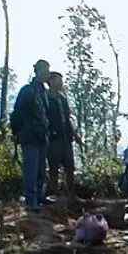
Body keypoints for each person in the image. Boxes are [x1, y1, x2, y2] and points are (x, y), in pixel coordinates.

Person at [10, 59, 50, 213]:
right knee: (31, 169)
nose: (46, 75)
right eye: (44, 72)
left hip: (42, 135)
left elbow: (46, 114)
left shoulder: (44, 93)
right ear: (37, 72)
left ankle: (39, 196)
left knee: (41, 169)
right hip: (29, 135)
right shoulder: (27, 90)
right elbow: (17, 113)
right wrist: (16, 132)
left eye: (48, 72)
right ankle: (31, 200)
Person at [46, 71, 82, 199]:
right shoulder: (45, 97)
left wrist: (75, 135)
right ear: (51, 81)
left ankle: (72, 194)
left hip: (66, 137)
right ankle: (55, 195)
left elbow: (67, 119)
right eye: (58, 80)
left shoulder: (63, 98)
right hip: (53, 138)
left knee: (70, 167)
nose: (61, 83)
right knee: (54, 167)